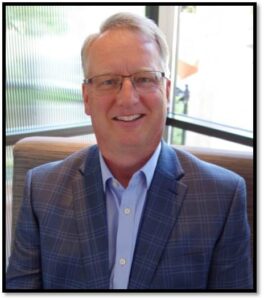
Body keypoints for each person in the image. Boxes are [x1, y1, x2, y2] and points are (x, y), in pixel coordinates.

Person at [6, 12, 253, 290]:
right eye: (108, 81)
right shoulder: (41, 189)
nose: (127, 98)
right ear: (86, 98)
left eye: (145, 79)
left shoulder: (222, 197)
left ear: (167, 90)